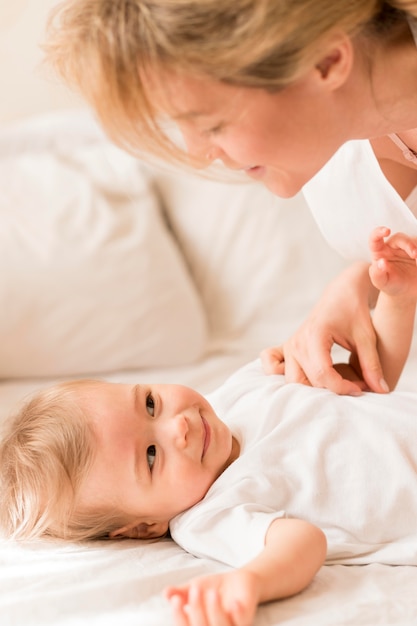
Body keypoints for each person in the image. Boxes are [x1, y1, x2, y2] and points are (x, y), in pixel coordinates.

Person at [1, 226, 416, 626]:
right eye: (151, 456)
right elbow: (303, 544)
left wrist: (396, 297)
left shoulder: (240, 389)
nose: (177, 427)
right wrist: (250, 582)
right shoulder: (209, 516)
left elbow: (365, 382)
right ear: (145, 527)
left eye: (150, 404)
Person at [43, 0, 417, 396]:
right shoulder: (343, 165)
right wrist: (360, 283)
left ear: (326, 61)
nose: (197, 152)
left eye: (211, 125)